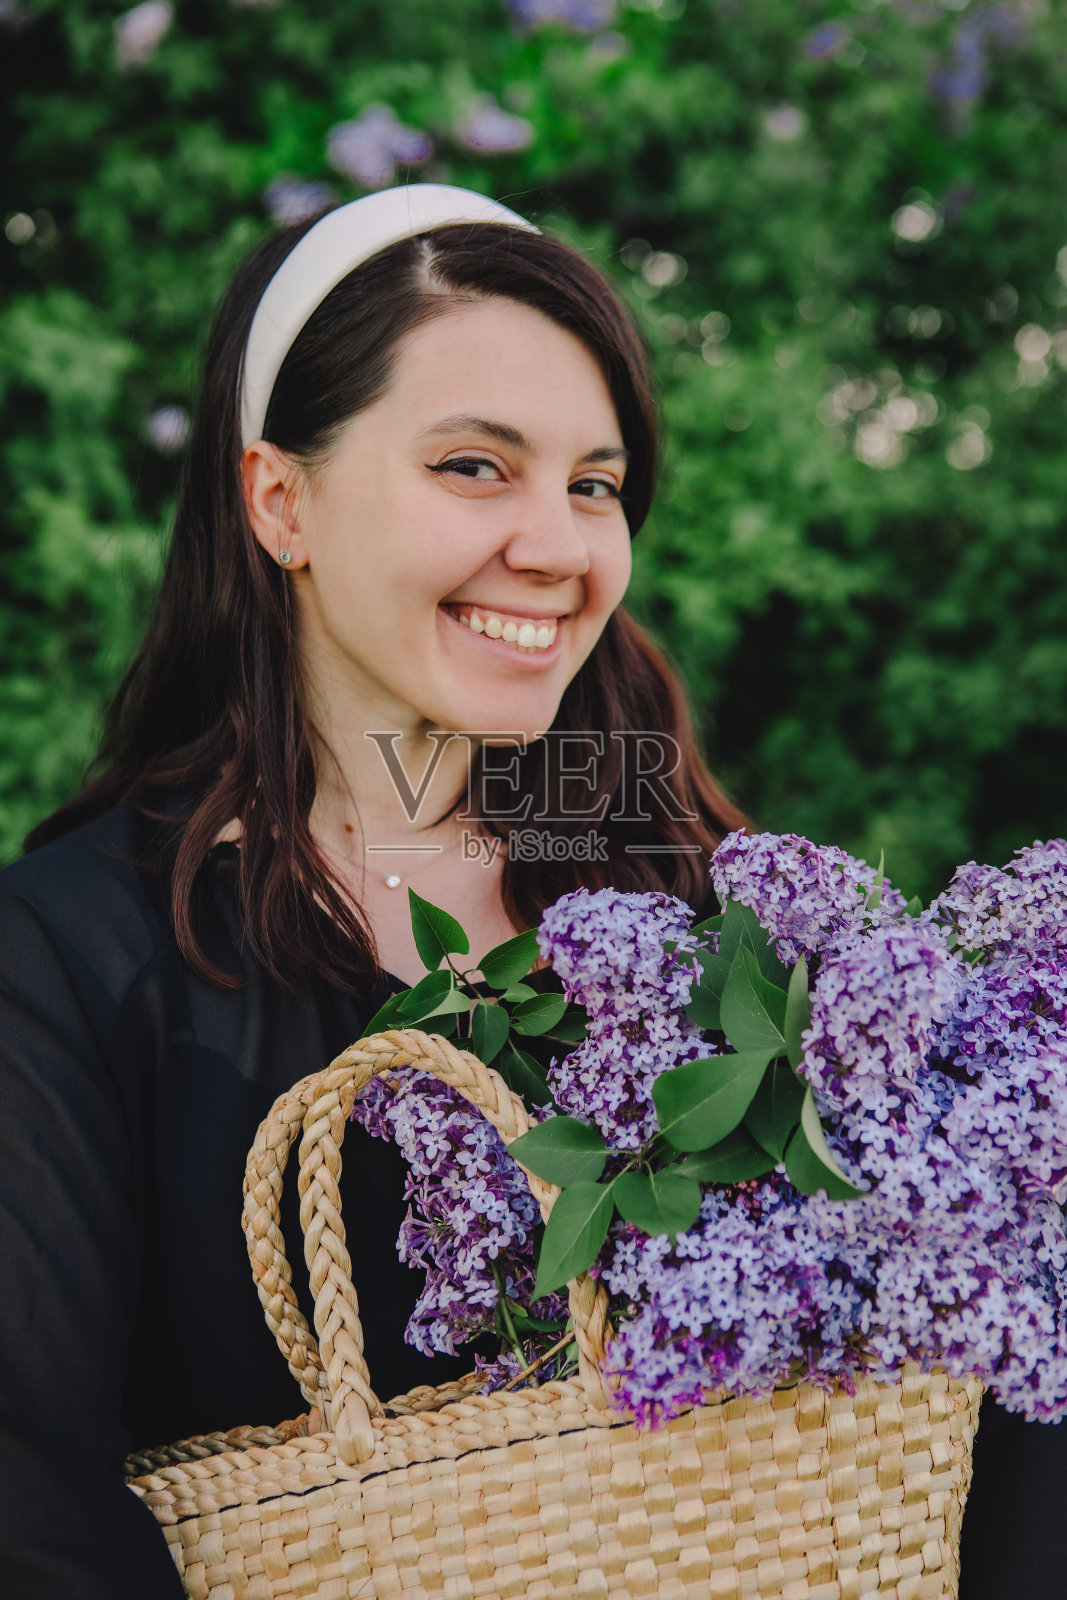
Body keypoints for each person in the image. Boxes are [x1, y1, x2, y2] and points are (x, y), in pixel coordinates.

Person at [0, 184, 748, 1597]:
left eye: (595, 484)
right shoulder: (73, 960)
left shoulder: (702, 922)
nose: (561, 545)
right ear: (278, 498)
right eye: (475, 466)